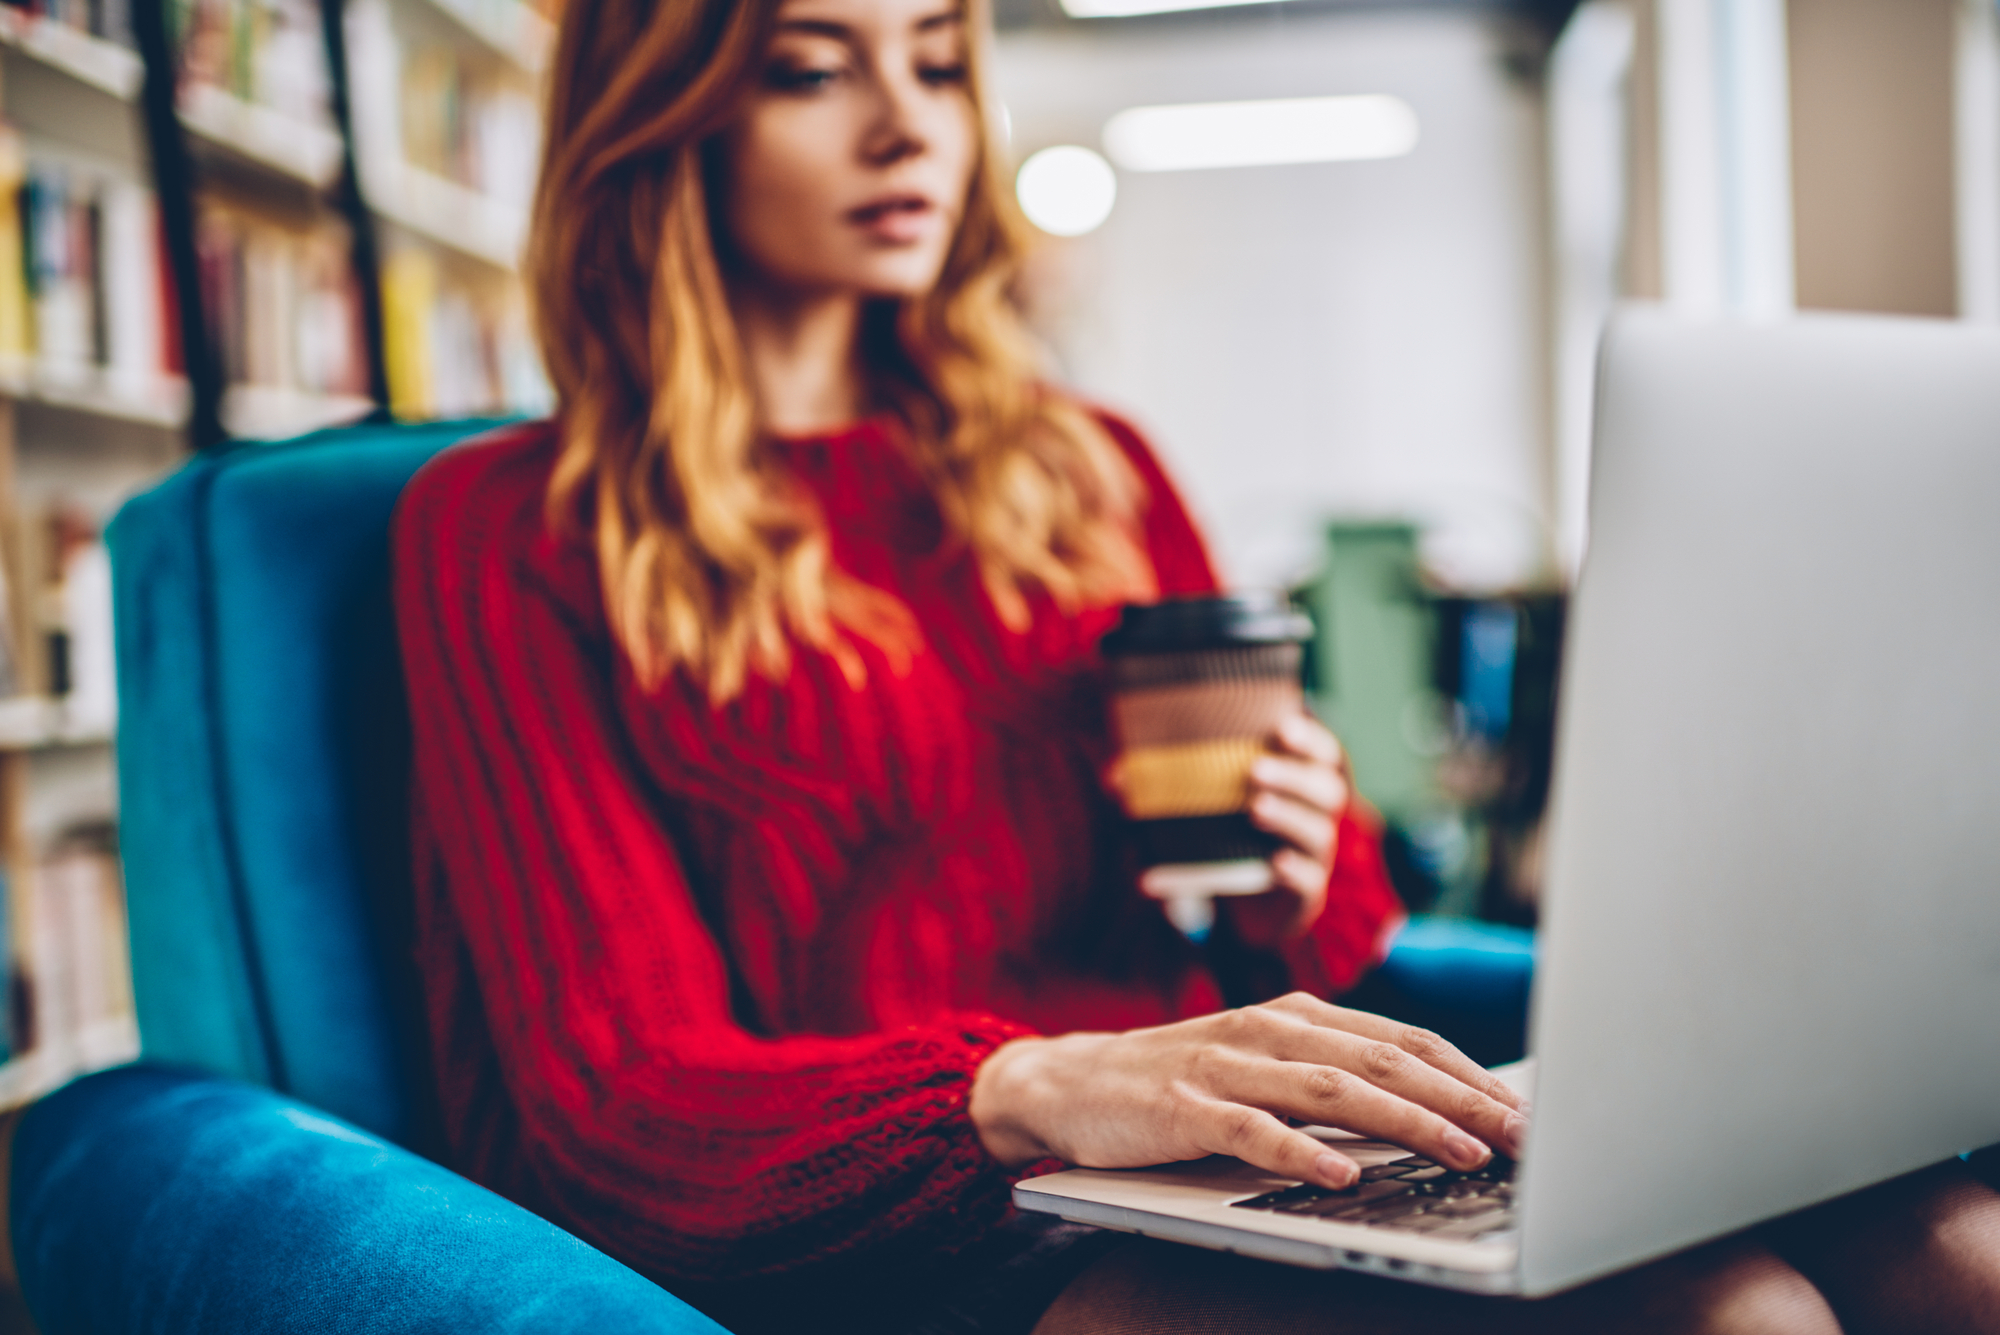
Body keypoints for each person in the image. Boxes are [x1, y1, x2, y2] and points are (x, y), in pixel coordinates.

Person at [390, 0, 2000, 1330]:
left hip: (1225, 1152)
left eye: (942, 60)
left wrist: (1300, 862)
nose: (911, 127)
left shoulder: (1090, 472)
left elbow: (1331, 936)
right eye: (816, 68)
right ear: (663, 117)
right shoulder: (513, 529)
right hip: (914, 1217)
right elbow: (611, 1107)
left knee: (1945, 1249)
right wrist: (1029, 1086)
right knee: (1735, 1315)